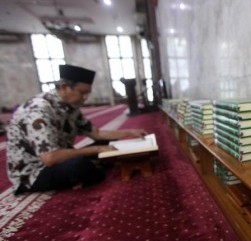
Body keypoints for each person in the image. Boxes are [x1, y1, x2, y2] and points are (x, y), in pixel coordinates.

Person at [6, 64, 147, 195]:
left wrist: (129, 133)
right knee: (80, 165)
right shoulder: (39, 110)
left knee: (107, 143)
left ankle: (93, 167)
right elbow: (50, 158)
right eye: (82, 93)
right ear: (64, 87)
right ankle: (92, 168)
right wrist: (97, 150)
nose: (85, 98)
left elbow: (96, 134)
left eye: (88, 93)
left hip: (60, 158)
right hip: (34, 172)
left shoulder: (70, 106)